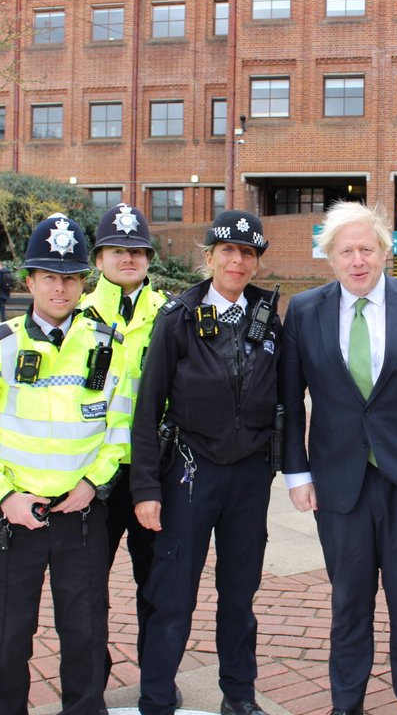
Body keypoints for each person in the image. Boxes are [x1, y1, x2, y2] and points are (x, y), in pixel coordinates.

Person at [280, 201, 397, 715]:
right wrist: (296, 472)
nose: (357, 260)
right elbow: (289, 401)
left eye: (367, 248)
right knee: (349, 603)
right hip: (338, 482)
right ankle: (347, 703)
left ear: (385, 251)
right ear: (330, 257)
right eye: (346, 251)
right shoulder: (304, 310)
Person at [0, 212, 133, 715]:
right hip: (14, 516)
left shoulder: (107, 345)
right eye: (50, 277)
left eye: (72, 278)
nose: (61, 288)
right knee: (7, 631)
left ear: (85, 282)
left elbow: (118, 429)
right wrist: (6, 497)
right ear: (30, 279)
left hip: (80, 512)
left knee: (85, 628)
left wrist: (92, 485)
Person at [131, 210, 280, 715]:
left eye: (248, 254)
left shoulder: (270, 318)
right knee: (173, 596)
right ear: (210, 257)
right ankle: (156, 697)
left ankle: (238, 697)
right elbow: (147, 408)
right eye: (228, 252)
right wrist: (146, 488)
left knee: (240, 596)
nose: (237, 261)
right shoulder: (176, 318)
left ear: (256, 263)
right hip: (190, 473)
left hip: (249, 476)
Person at [78, 203, 168, 678]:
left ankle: (155, 677)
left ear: (149, 257)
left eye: (136, 250)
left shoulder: (173, 312)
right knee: (88, 583)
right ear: (98, 259)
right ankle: (92, 676)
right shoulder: (77, 312)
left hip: (154, 471)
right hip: (95, 473)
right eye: (116, 250)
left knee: (156, 582)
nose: (127, 258)